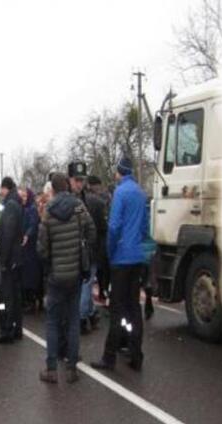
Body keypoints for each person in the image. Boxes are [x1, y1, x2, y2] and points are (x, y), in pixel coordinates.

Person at [91, 157, 148, 372]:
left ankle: (109, 357)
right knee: (134, 308)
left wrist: (110, 251)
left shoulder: (120, 193)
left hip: (121, 258)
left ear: (119, 173)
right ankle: (136, 355)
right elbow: (144, 226)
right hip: (136, 256)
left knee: (116, 309)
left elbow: (113, 227)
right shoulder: (140, 193)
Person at [37, 173, 96, 385]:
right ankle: (72, 368)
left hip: (55, 274)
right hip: (75, 273)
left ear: (52, 189)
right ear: (67, 187)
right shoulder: (79, 206)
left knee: (52, 321)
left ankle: (51, 368)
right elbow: (92, 231)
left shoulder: (48, 212)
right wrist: (81, 248)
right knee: (72, 320)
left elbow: (42, 248)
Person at [67, 162, 103, 334]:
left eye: (82, 180)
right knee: (82, 288)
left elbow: (93, 229)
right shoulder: (65, 200)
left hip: (85, 252)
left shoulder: (88, 201)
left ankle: (84, 316)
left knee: (85, 287)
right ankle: (88, 314)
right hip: (69, 253)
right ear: (69, 180)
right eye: (76, 180)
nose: (79, 183)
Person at [0, 177, 24, 344]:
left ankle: (7, 329)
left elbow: (7, 234)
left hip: (9, 259)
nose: (0, 193)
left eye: (2, 189)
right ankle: (16, 328)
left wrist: (3, 259)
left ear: (6, 188)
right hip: (16, 257)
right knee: (15, 296)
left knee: (5, 298)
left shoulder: (10, 206)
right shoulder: (15, 203)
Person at [20, 188, 42, 313]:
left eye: (24, 196)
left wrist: (27, 235)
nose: (23, 198)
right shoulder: (23, 209)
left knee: (31, 275)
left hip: (31, 247)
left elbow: (33, 225)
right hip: (24, 247)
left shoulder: (32, 209)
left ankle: (32, 300)